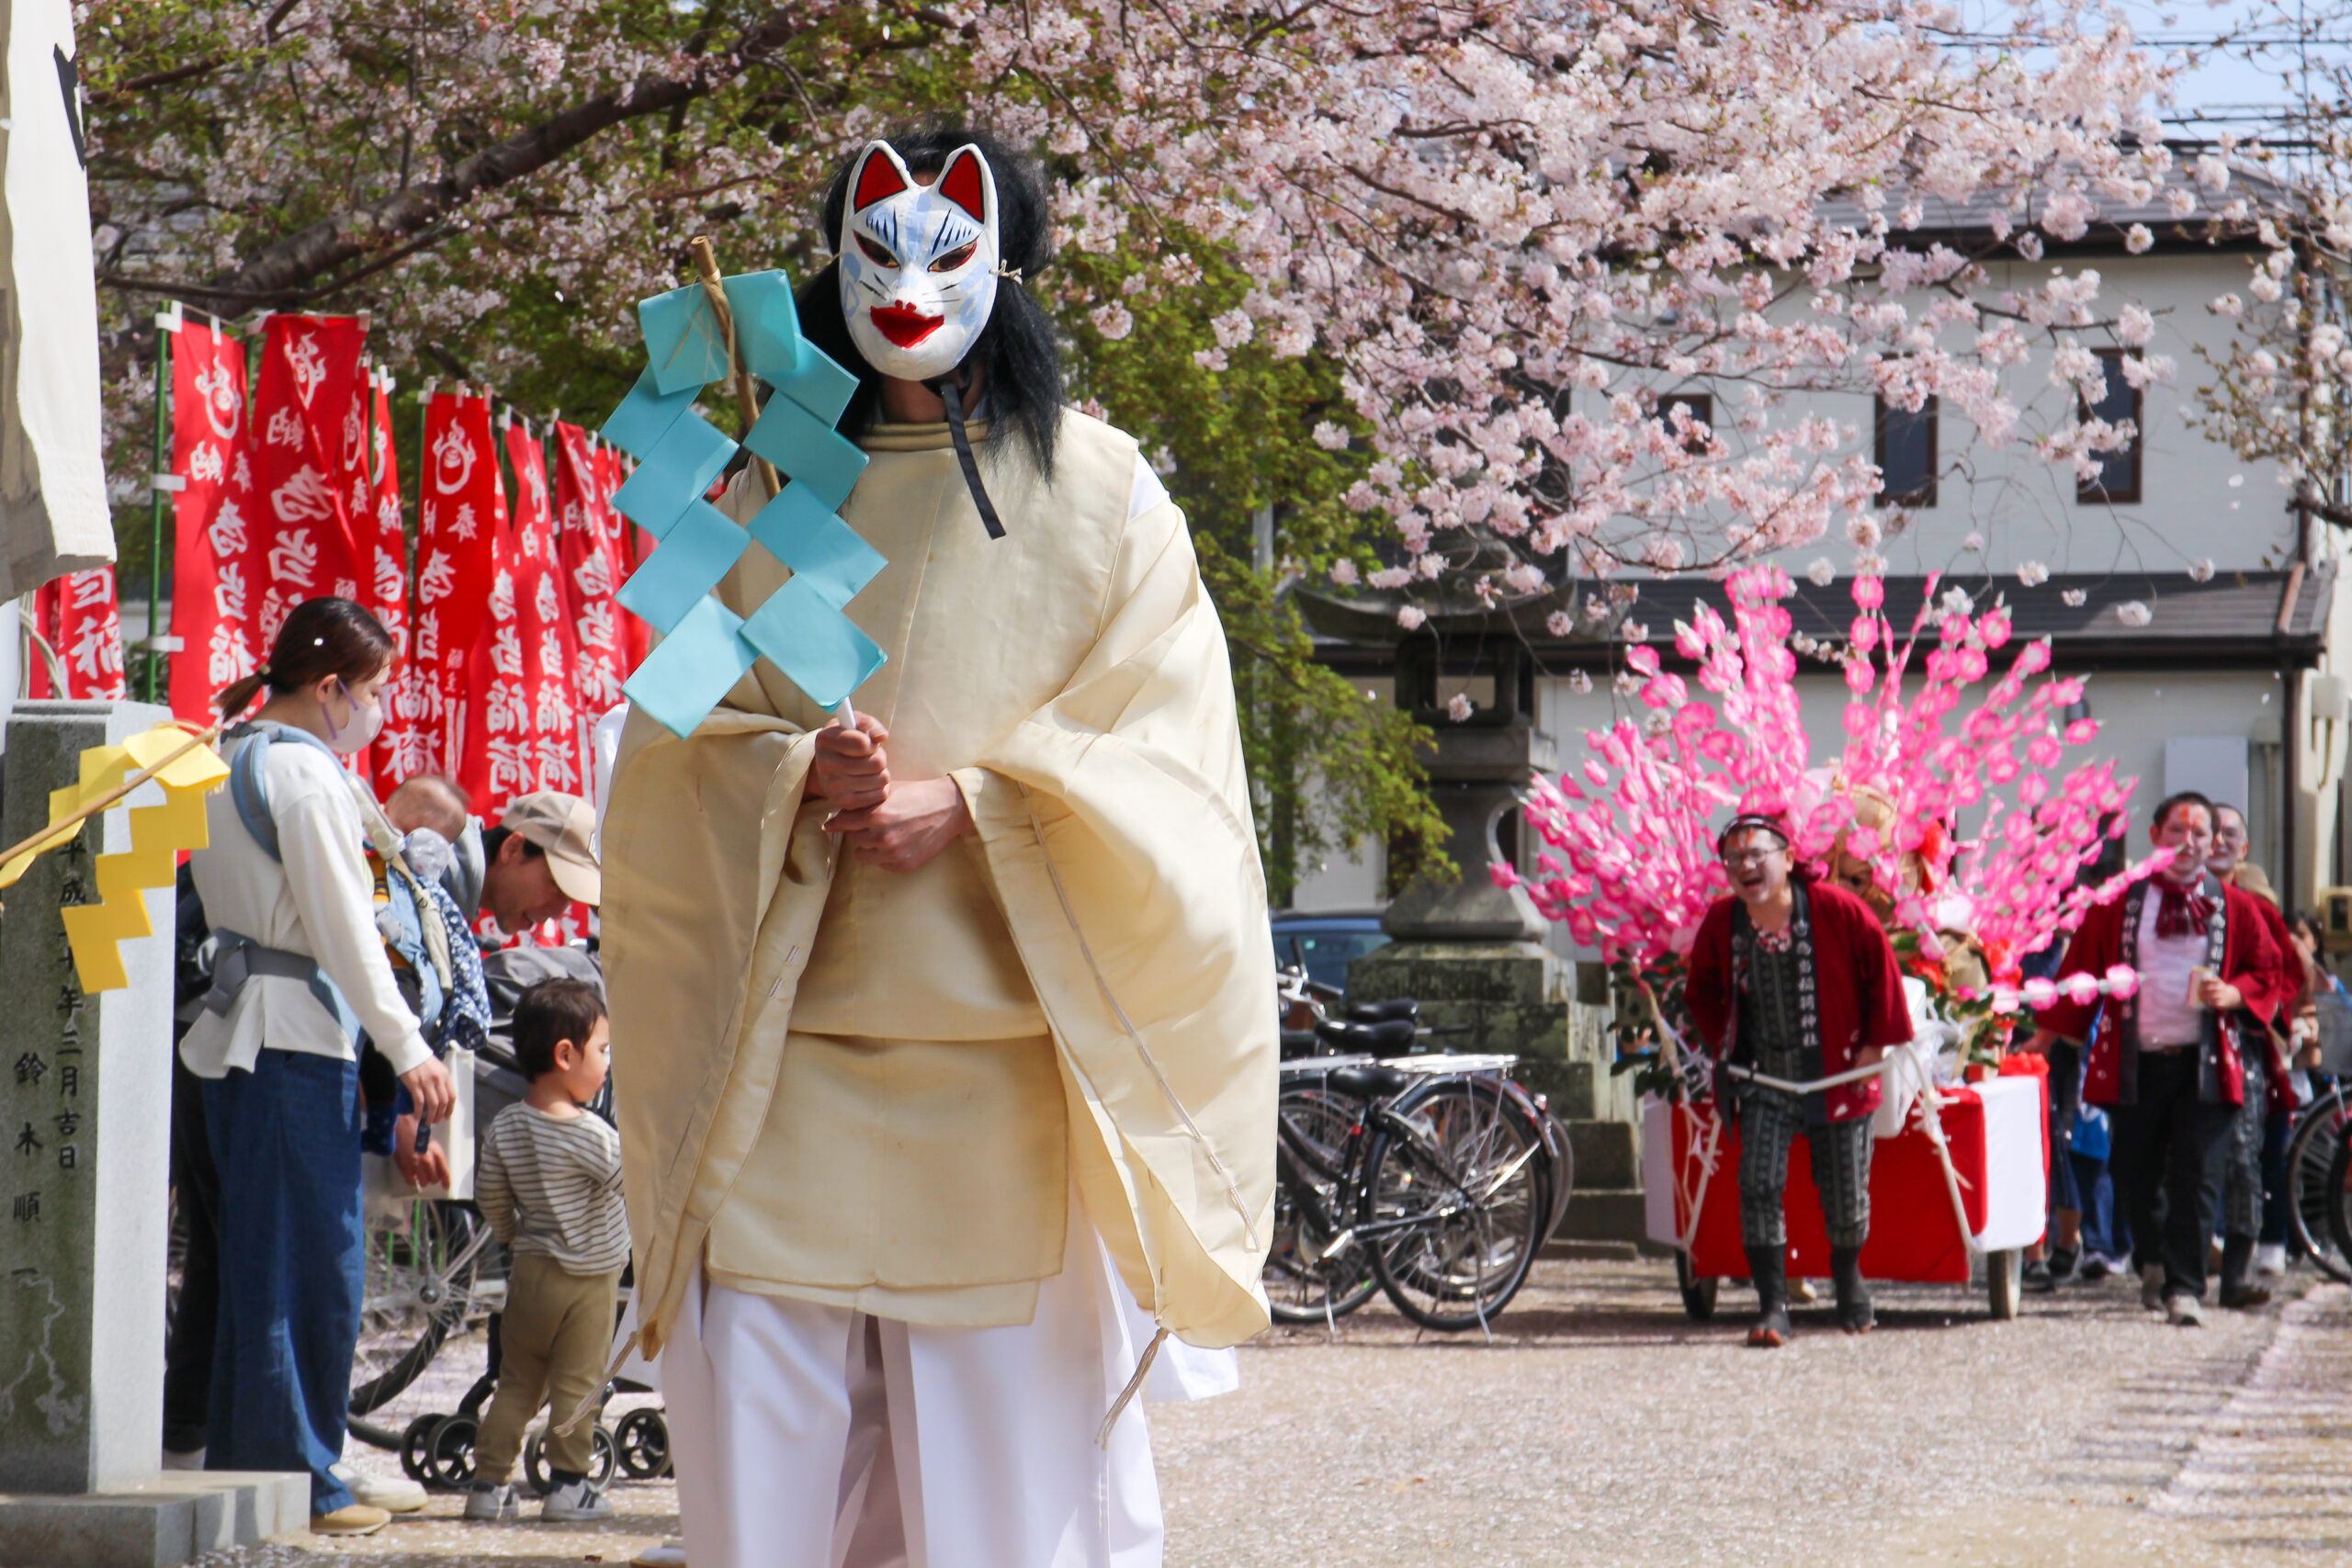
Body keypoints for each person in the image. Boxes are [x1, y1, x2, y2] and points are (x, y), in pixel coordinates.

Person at [602, 127, 1272, 1567]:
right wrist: (798, 772)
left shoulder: (1105, 494)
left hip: (1005, 1074)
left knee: (1005, 1520)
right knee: (761, 1515)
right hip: (777, 1074)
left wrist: (978, 799)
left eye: (946, 255)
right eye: (875, 256)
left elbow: (1171, 762)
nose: (907, 292)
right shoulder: (766, 493)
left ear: (1007, 270)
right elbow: (670, 749)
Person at [178, 598, 457, 1537]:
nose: (376, 708)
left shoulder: (232, 753)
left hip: (247, 1030)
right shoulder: (301, 773)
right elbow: (346, 928)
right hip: (289, 1036)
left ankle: (281, 1462)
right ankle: (300, 1474)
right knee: (305, 1267)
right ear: (331, 686)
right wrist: (408, 1045)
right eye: (371, 690)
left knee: (266, 1263)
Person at [2024, 793, 2286, 1326]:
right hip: (2136, 1062)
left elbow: (2268, 970)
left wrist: (2234, 993)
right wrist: (2044, 1041)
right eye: (2176, 832)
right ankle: (2154, 1259)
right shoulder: (2119, 903)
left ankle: (2185, 1288)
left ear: (2214, 842)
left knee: (2198, 1175)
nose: (2187, 843)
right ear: (2154, 838)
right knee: (2133, 1173)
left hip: (2206, 1066)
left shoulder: (2236, 907)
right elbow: (2080, 974)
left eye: (2199, 833)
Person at [1685, 814, 1913, 1347]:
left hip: (1839, 1072)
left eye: (1756, 854)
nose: (1745, 866)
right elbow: (1702, 989)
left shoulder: (1837, 909)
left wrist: (1873, 1046)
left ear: (1788, 859)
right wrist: (1726, 1041)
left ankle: (1848, 1280)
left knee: (1846, 1193)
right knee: (1757, 1183)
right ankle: (1772, 1304)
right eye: (1734, 858)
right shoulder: (1723, 921)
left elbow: (1882, 970)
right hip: (1764, 1076)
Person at [464, 978, 629, 1525]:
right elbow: (632, 1183)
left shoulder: (506, 1126)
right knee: (578, 1385)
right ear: (565, 1055)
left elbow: (490, 1196)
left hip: (531, 1273)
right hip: (590, 1280)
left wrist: (513, 1234)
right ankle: (568, 1486)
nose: (607, 1063)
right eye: (602, 1050)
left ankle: (488, 1484)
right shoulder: (593, 1135)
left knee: (517, 1381)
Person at [2207, 802, 2290, 1307]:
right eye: (2209, 831)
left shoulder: (2257, 909)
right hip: (2173, 1045)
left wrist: (2241, 995)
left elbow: (2282, 973)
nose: (2218, 841)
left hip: (2241, 1045)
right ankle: (2173, 1269)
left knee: (2244, 1157)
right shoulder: (2160, 901)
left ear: (2245, 849)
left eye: (2229, 833)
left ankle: (2236, 1271)